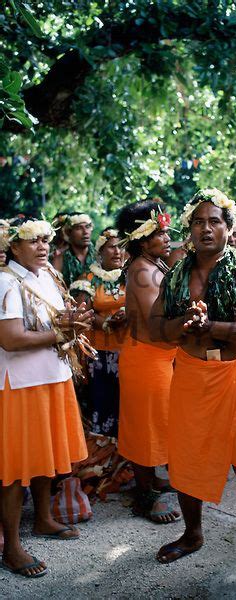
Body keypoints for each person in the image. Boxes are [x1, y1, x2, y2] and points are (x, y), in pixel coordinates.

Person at [150, 188, 236, 598]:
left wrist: (215, 328)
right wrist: (185, 326)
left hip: (231, 376)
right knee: (185, 462)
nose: (205, 228)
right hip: (189, 373)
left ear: (230, 228)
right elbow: (158, 327)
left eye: (214, 221)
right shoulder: (175, 272)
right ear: (188, 228)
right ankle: (192, 535)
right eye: (198, 221)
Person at [0, 218, 92, 578]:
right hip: (20, 384)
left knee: (45, 455)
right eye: (33, 241)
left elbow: (57, 321)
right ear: (14, 246)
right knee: (12, 469)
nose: (42, 247)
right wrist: (61, 333)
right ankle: (13, 546)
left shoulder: (49, 276)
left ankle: (43, 518)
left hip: (51, 377)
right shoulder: (6, 281)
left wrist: (71, 322)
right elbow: (11, 339)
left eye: (45, 240)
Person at [116, 201, 180, 524]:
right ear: (143, 240)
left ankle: (153, 480)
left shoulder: (154, 264)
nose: (168, 237)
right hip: (146, 358)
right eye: (160, 232)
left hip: (159, 358)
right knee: (146, 427)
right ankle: (145, 496)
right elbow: (157, 323)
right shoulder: (142, 271)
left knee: (159, 422)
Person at [70, 228, 128, 437]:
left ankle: (131, 458)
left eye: (121, 247)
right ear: (100, 252)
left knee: (129, 406)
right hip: (100, 355)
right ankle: (105, 460)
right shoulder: (88, 278)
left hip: (132, 351)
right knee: (104, 404)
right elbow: (80, 312)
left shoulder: (133, 274)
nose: (117, 252)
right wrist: (104, 322)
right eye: (112, 247)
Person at [52, 212, 95, 286]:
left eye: (87, 227)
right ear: (68, 232)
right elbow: (55, 287)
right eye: (78, 228)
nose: (85, 232)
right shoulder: (60, 258)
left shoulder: (99, 255)